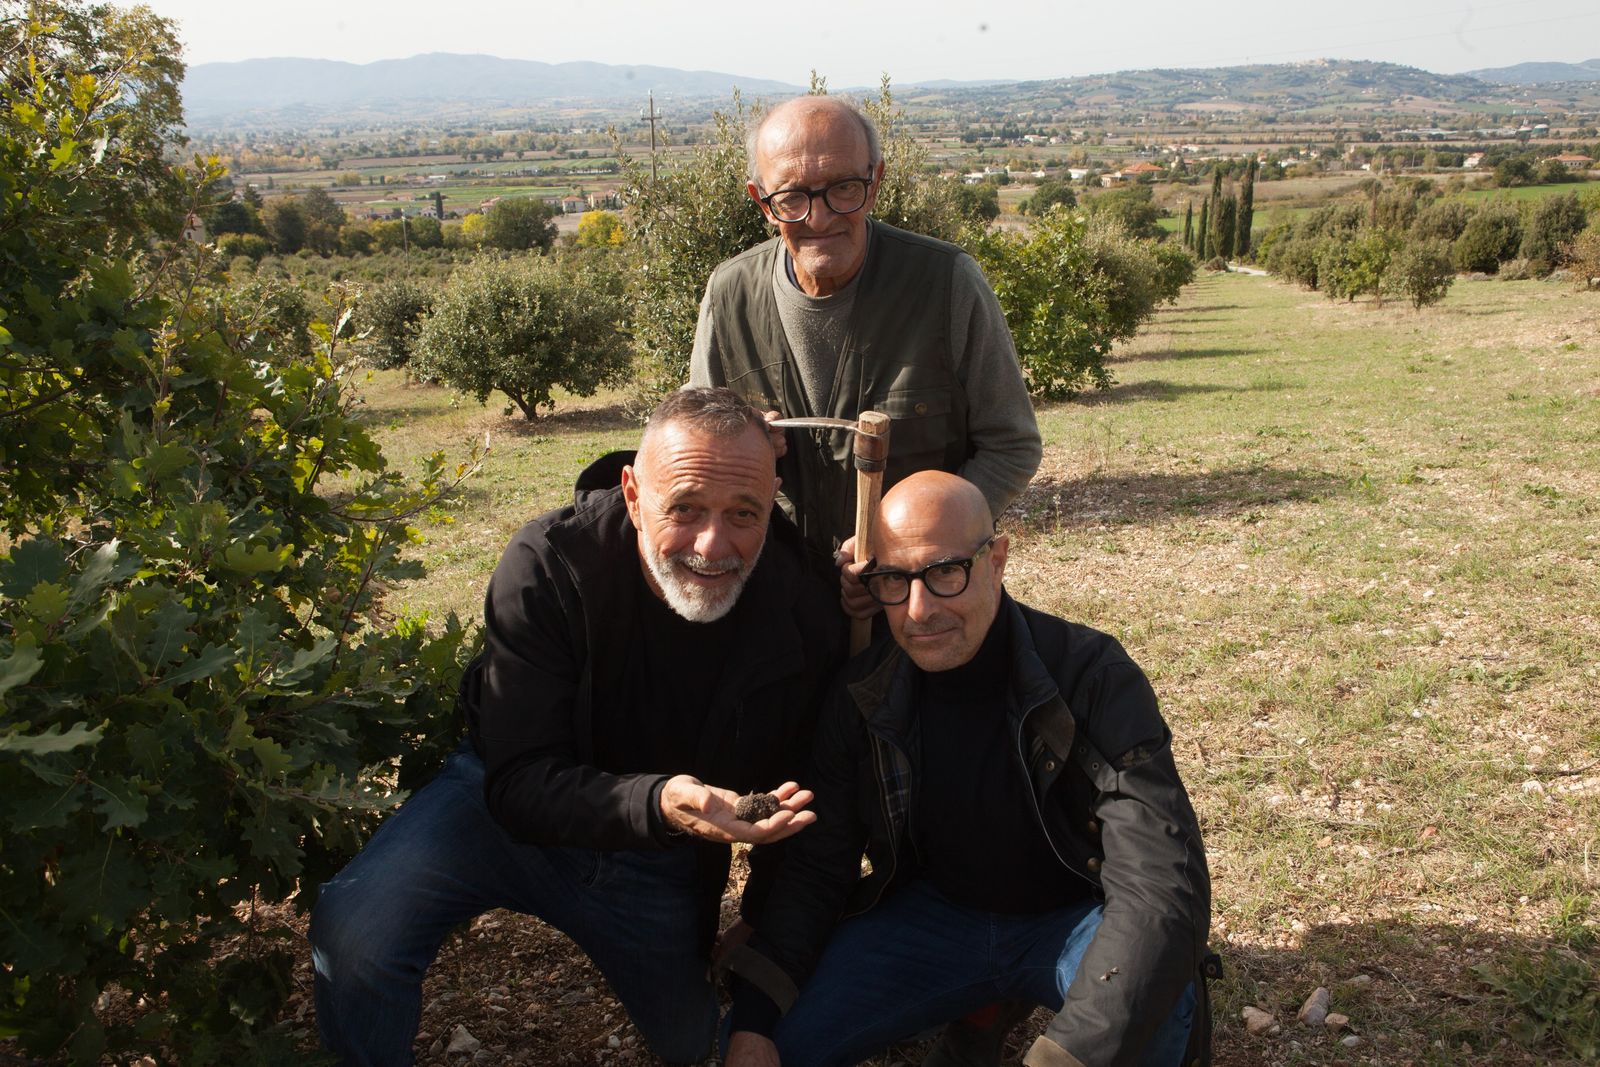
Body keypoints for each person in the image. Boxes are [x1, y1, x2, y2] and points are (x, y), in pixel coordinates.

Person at [309, 388, 847, 1066]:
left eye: (745, 514)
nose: (714, 544)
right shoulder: (550, 563)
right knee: (355, 935)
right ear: (631, 490)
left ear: (772, 501)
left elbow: (806, 802)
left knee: (695, 1047)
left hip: (661, 855)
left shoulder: (802, 611)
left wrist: (762, 929)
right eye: (684, 508)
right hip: (501, 811)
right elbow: (518, 778)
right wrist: (656, 801)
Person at [721, 472, 1211, 1067]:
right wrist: (753, 1021)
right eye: (895, 581)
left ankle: (990, 1011)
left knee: (1148, 1027)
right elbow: (818, 867)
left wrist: (1069, 1056)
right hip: (938, 919)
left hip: (1078, 918)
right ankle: (980, 1008)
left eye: (945, 572)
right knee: (775, 1043)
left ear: (997, 559)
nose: (919, 610)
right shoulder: (862, 695)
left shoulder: (1091, 676)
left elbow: (1159, 881)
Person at [689, 95, 1042, 588]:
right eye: (792, 197)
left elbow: (1012, 445)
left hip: (918, 599)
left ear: (874, 183)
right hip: (777, 598)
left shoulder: (946, 284)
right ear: (761, 202)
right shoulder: (728, 296)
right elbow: (697, 453)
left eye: (843, 188)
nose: (819, 218)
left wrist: (907, 541)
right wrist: (741, 446)